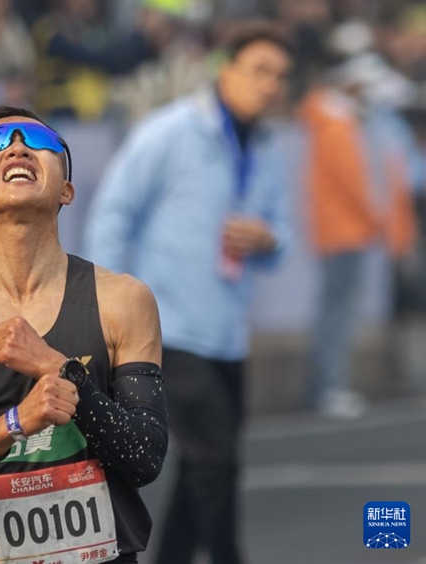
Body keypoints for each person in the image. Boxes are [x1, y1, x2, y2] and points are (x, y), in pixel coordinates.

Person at [0, 106, 169, 564]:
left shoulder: (122, 301)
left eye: (40, 141)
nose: (18, 146)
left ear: (67, 189)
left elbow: (145, 457)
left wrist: (59, 371)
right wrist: (12, 425)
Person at [83, 22, 293, 564]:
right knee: (217, 461)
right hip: (168, 328)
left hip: (226, 331)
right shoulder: (171, 130)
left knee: (207, 463)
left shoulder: (267, 144)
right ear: (226, 70)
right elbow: (113, 213)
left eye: (281, 76)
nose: (270, 85)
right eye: (259, 70)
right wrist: (107, 310)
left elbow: (280, 235)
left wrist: (268, 239)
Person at [298, 52, 420, 418]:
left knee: (335, 313)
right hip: (343, 233)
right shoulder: (338, 124)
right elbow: (356, 183)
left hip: (346, 232)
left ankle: (326, 386)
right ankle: (327, 387)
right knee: (336, 315)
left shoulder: (340, 120)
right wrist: (381, 220)